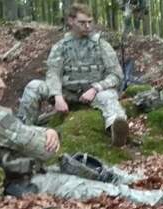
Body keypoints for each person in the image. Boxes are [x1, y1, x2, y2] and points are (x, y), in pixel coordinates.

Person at [0, 78, 163, 205]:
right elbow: (44, 150)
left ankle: (147, 180)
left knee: (92, 166)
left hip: (29, 170)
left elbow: (24, 136)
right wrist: (50, 132)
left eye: (2, 77)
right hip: (23, 184)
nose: (2, 84)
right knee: (95, 188)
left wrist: (45, 129)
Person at [17, 3, 129, 147]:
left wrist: (96, 88)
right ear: (71, 21)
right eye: (82, 23)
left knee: (108, 97)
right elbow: (53, 73)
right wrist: (57, 96)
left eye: (90, 22)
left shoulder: (102, 45)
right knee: (34, 86)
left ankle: (116, 131)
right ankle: (23, 130)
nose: (87, 26)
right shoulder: (61, 47)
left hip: (94, 94)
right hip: (67, 94)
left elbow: (116, 75)